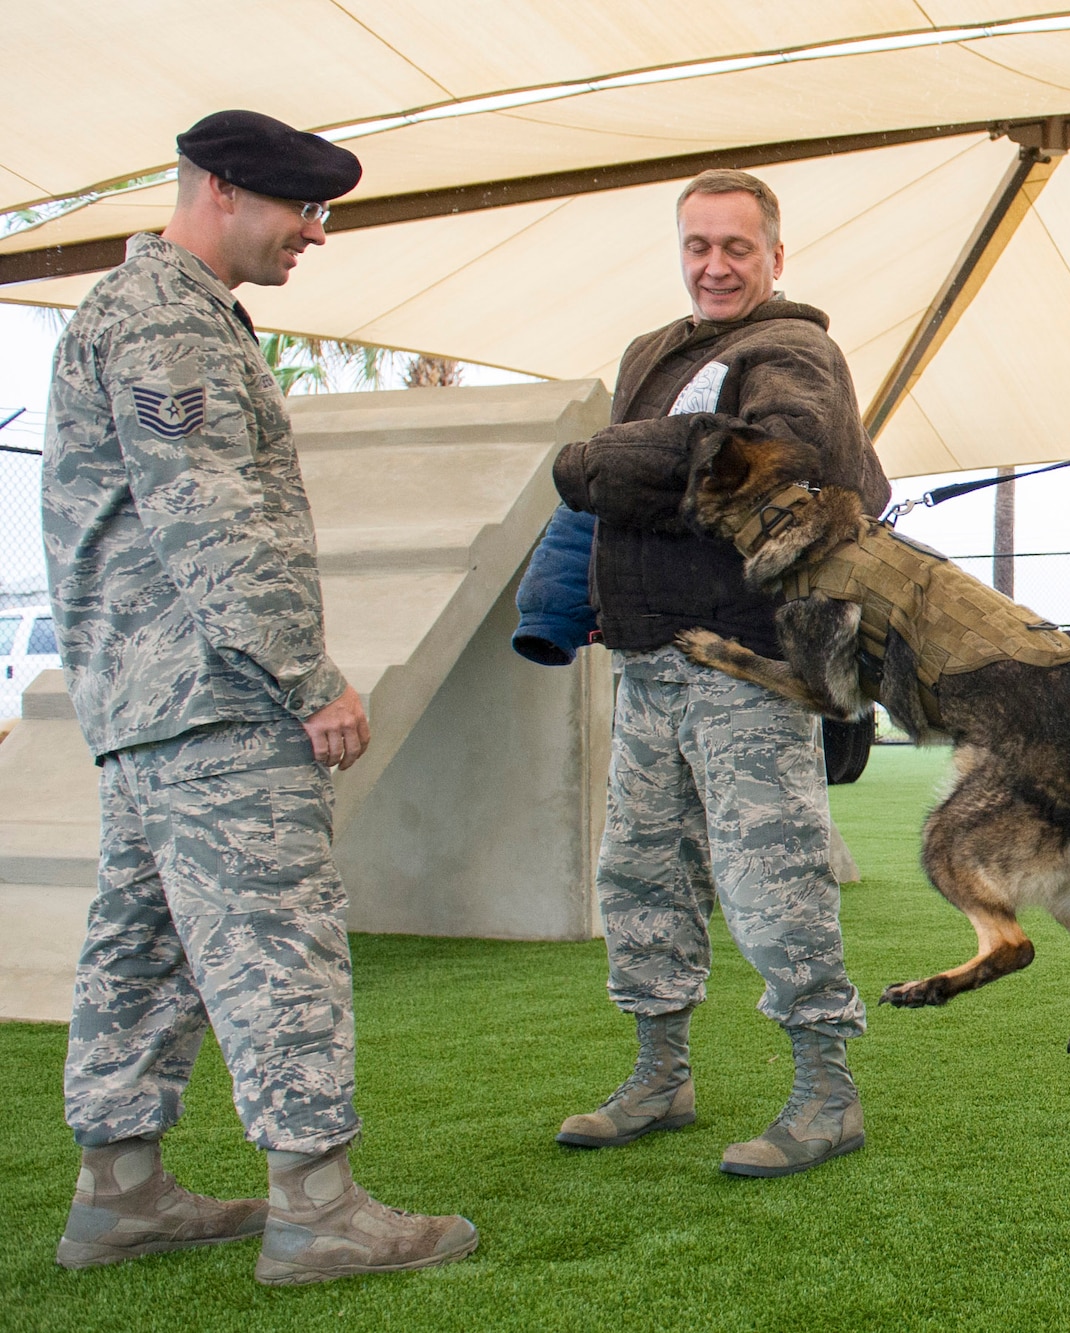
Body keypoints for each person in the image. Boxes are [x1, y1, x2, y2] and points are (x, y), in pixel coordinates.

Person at [43, 110, 476, 1282]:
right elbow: (206, 514)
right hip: (214, 694)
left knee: (142, 946)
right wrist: (306, 675)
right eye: (303, 208)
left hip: (145, 702)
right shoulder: (163, 320)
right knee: (276, 940)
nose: (315, 235)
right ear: (224, 191)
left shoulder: (139, 313)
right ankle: (318, 1206)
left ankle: (120, 1189)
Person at [550, 169, 890, 1177]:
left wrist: (604, 463)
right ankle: (660, 1075)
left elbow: (775, 459)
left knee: (772, 874)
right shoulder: (651, 354)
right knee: (640, 874)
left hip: (744, 663)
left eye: (736, 246)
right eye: (697, 244)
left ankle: (826, 1093)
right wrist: (659, 465)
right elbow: (694, 472)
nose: (714, 264)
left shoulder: (793, 348)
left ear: (775, 257)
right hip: (649, 661)